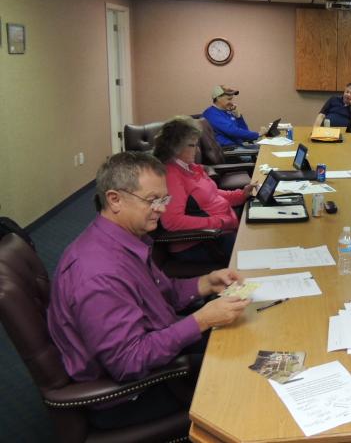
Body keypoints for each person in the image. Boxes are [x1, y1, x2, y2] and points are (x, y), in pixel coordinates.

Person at [47, 151, 250, 429]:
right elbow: (127, 362)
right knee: (244, 379)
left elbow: (163, 295)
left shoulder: (126, 239)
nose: (163, 209)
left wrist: (206, 282)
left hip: (155, 343)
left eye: (164, 199)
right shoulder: (98, 274)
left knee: (245, 340)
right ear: (114, 199)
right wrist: (201, 320)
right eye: (153, 200)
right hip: (131, 394)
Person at [154, 117, 256, 263]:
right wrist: (219, 222)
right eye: (192, 145)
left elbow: (211, 195)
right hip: (203, 242)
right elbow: (172, 222)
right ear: (175, 147)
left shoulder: (190, 167)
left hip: (222, 231)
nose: (198, 150)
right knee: (258, 255)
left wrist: (241, 194)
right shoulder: (171, 176)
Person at [202, 84, 267, 147]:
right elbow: (232, 131)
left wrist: (238, 117)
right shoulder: (212, 114)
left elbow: (245, 132)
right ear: (218, 98)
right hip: (230, 151)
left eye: (232, 99)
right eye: (229, 99)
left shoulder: (227, 112)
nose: (232, 102)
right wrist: (258, 134)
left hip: (239, 146)